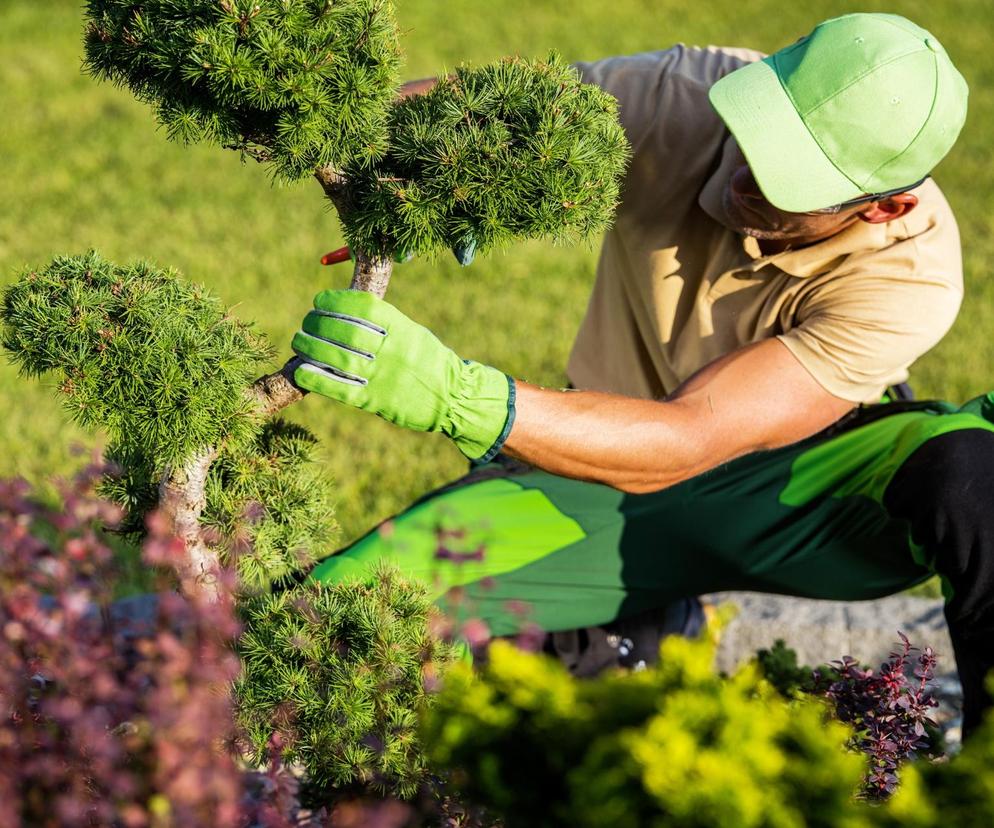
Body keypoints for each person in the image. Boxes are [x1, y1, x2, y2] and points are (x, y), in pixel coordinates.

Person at [290, 13, 994, 735]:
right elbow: (459, 109)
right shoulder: (689, 94)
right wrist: (420, 169)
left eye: (791, 178)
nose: (748, 171)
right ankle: (637, 633)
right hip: (600, 467)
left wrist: (452, 394)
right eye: (758, 134)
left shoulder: (912, 279)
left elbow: (691, 437)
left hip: (808, 502)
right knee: (336, 615)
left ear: (885, 207)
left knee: (976, 474)